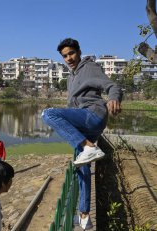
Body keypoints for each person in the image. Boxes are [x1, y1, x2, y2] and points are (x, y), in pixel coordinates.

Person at [42, 38, 122, 230]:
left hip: (93, 114)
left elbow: (112, 86)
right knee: (82, 163)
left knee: (47, 113)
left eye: (71, 53)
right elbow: (72, 105)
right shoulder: (71, 76)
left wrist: (113, 98)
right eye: (64, 56)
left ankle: (89, 146)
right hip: (85, 119)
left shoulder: (89, 67)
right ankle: (85, 214)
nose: (68, 58)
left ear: (78, 51)